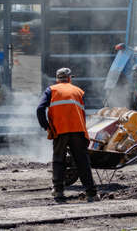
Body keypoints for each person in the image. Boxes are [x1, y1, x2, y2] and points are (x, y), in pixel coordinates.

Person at [36, 68, 99, 202]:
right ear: (69, 78)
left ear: (57, 79)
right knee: (82, 161)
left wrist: (46, 127)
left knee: (59, 160)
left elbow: (39, 109)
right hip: (78, 130)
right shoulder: (78, 91)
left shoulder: (51, 90)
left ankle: (58, 191)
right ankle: (91, 193)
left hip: (60, 131)